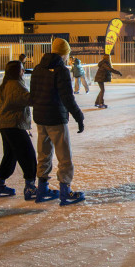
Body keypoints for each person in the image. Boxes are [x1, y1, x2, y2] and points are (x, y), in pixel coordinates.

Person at [29, 37, 86, 206]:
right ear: (64, 54)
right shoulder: (61, 70)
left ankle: (42, 188)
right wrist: (79, 117)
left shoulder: (38, 68)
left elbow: (33, 95)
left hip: (40, 119)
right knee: (64, 156)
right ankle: (65, 191)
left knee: (44, 153)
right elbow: (67, 98)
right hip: (55, 119)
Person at [0, 60, 38, 200]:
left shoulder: (7, 83)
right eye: (21, 70)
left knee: (10, 156)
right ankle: (30, 187)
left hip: (5, 124)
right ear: (15, 72)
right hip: (14, 125)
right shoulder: (15, 85)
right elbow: (30, 100)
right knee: (28, 156)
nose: (23, 71)